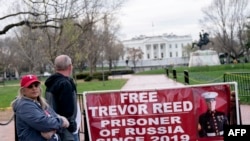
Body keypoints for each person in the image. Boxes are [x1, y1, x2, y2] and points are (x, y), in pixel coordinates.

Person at [11, 74, 69, 141]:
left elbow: (54, 117)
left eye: (36, 85)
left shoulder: (41, 102)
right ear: (23, 91)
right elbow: (43, 123)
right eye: (30, 86)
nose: (34, 88)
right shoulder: (24, 105)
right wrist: (61, 122)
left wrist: (52, 130)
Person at [45, 55, 80, 141]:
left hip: (57, 125)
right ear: (69, 66)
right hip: (66, 129)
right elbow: (68, 110)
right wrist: (72, 126)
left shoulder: (52, 82)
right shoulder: (65, 84)